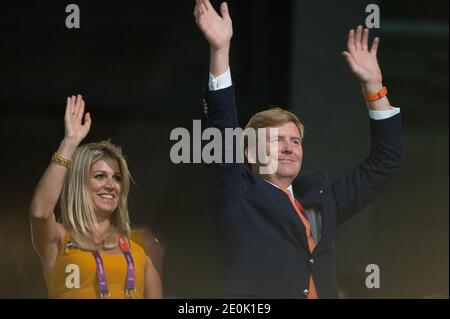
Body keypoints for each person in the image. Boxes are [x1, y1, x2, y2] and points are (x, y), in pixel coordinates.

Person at [194, 0, 402, 298]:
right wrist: (220, 50)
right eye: (277, 140)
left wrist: (374, 87)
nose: (289, 148)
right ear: (250, 154)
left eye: (295, 141)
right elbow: (222, 128)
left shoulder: (318, 198)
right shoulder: (236, 194)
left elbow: (386, 163)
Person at [29, 95, 162, 298]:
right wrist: (69, 143)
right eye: (100, 176)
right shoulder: (58, 239)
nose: (111, 185)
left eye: (116, 178)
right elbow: (40, 212)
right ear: (79, 184)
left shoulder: (141, 247)